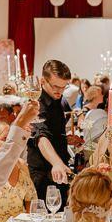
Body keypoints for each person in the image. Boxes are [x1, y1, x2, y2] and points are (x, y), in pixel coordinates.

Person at [27, 59, 73, 210]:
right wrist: (57, 163)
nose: (59, 91)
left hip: (59, 169)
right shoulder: (36, 104)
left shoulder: (58, 100)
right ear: (42, 81)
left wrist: (64, 138)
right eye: (55, 86)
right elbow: (41, 137)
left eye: (63, 87)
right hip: (43, 174)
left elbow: (52, 132)